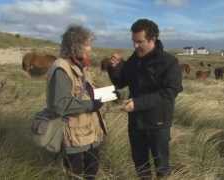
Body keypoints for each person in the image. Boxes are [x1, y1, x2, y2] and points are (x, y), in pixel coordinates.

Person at [107, 19, 183, 179]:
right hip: (135, 123)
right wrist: (114, 68)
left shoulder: (169, 62)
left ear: (152, 39)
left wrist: (138, 103)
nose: (135, 46)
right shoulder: (134, 60)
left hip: (158, 123)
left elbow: (170, 92)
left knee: (161, 167)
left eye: (139, 42)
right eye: (133, 41)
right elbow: (120, 82)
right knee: (141, 166)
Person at [43, 24, 106, 180]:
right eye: (87, 44)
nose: (90, 48)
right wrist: (91, 105)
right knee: (76, 174)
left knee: (92, 170)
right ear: (76, 46)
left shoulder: (80, 66)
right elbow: (60, 104)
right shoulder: (61, 69)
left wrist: (107, 94)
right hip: (74, 137)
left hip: (89, 133)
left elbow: (84, 92)